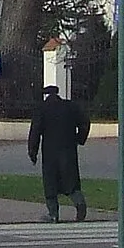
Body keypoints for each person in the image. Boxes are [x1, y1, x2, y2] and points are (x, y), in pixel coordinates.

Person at [27, 84, 90, 222]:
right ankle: (80, 204)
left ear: (45, 96)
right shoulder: (70, 107)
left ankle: (53, 214)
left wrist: (32, 151)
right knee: (71, 181)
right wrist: (80, 138)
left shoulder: (42, 109)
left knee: (50, 183)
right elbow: (85, 122)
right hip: (69, 150)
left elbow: (35, 131)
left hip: (50, 152)